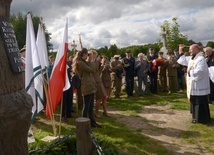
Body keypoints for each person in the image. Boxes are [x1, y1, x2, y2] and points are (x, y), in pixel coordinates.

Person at [72, 48, 101, 128]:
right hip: (86, 86)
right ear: (84, 54)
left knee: (91, 106)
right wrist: (91, 60)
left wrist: (90, 60)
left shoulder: (84, 62)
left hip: (90, 85)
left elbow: (94, 69)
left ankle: (92, 122)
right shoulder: (81, 63)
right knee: (86, 106)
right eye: (87, 54)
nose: (88, 56)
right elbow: (92, 70)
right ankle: (84, 123)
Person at [187, 44, 210, 124]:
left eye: (191, 50)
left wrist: (190, 72)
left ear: (196, 49)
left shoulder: (200, 59)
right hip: (194, 84)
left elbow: (200, 71)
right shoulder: (193, 58)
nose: (190, 51)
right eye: (189, 50)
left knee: (199, 101)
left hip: (199, 84)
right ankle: (195, 117)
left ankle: (202, 119)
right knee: (194, 100)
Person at [88, 50, 108, 118]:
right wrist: (97, 62)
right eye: (96, 55)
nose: (97, 57)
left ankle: (105, 112)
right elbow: (93, 69)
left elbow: (98, 72)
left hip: (99, 81)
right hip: (95, 81)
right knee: (99, 98)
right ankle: (96, 112)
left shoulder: (95, 63)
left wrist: (101, 65)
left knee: (104, 97)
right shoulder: (90, 63)